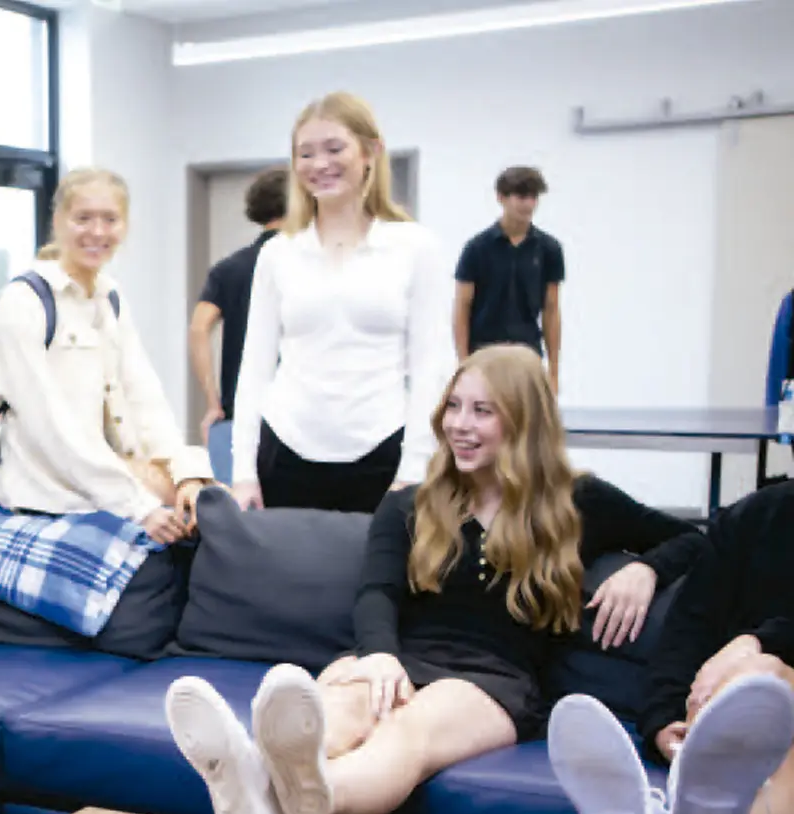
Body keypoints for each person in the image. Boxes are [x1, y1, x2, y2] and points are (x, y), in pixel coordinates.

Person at [167, 346, 704, 814]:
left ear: (523, 423)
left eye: (481, 411)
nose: (459, 425)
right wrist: (378, 655)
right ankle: (254, 778)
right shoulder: (408, 506)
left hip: (492, 680)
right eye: (453, 406)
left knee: (407, 727)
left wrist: (646, 569)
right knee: (338, 704)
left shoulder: (576, 503)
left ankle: (283, 793)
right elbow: (376, 592)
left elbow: (701, 541)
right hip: (398, 655)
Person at [550, 481, 794, 814]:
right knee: (749, 688)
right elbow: (686, 634)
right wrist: (663, 723)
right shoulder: (752, 518)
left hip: (763, 695)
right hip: (731, 716)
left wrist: (759, 643)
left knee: (760, 679)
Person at [229, 92, 457, 514]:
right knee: (288, 580)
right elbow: (254, 369)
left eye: (335, 149)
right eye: (306, 154)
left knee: (376, 580)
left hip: (383, 453)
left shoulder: (414, 247)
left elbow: (433, 367)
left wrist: (416, 467)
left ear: (371, 152)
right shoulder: (279, 253)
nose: (320, 164)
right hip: (285, 451)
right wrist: (243, 471)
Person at [0, 166, 215, 546]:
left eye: (110, 219)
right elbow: (51, 428)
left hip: (96, 470)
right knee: (194, 508)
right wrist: (138, 505)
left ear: (125, 225)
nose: (97, 232)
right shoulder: (23, 302)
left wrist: (187, 473)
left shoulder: (110, 298)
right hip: (38, 479)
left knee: (209, 497)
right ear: (58, 221)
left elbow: (145, 400)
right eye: (83, 218)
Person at [190, 167, 288, 445]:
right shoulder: (310, 263)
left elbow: (198, 329)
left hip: (243, 411)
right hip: (301, 413)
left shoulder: (229, 268)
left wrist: (213, 403)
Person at [454, 167, 564, 391]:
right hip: (484, 354)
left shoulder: (549, 249)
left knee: (526, 421)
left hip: (527, 354)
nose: (528, 204)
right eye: (522, 196)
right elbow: (462, 308)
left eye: (534, 197)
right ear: (501, 197)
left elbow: (551, 310)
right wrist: (463, 364)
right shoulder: (477, 248)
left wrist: (553, 371)